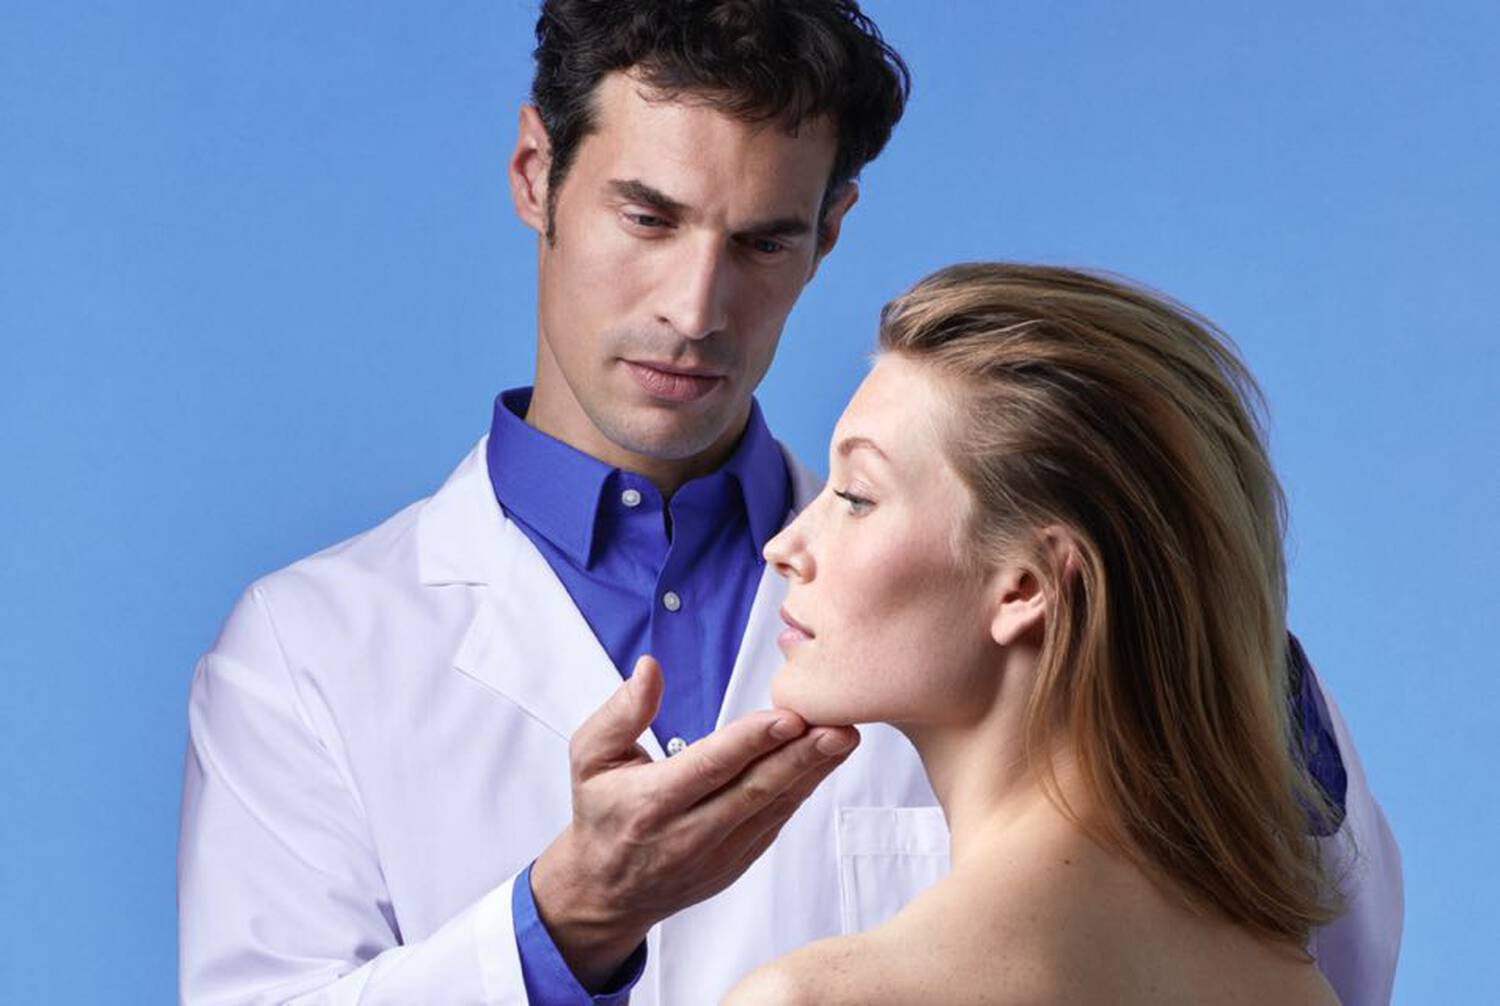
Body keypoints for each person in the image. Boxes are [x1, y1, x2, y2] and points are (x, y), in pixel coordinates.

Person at [177, 3, 1397, 1003]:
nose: (695, 306)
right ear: (535, 173)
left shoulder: (976, 598)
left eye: (763, 242)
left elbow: (1314, 941)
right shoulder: (306, 655)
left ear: (831, 230)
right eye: (646, 217)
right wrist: (563, 922)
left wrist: (1199, 623)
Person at [726, 264, 1403, 1005]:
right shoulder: (1294, 987)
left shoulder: (818, 998)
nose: (786, 545)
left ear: (1026, 586)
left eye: (856, 497)